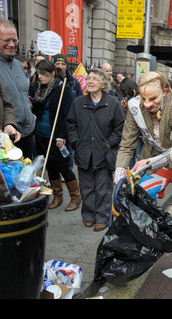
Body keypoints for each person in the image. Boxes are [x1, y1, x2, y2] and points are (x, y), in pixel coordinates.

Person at [113, 71, 172, 282]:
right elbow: (127, 144)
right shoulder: (135, 106)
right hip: (155, 165)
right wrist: (118, 178)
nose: (147, 104)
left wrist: (149, 163)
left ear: (165, 91)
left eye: (153, 99)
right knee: (129, 204)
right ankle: (131, 253)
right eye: (143, 98)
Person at [67, 68, 125, 232]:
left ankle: (101, 217)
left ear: (103, 83)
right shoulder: (78, 102)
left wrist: (109, 143)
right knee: (86, 187)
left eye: (94, 78)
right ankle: (88, 216)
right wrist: (76, 142)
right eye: (89, 78)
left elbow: (120, 127)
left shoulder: (112, 103)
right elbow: (71, 125)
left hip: (104, 154)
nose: (90, 81)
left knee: (103, 188)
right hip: (84, 152)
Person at [32, 59, 81, 211]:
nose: (40, 77)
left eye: (43, 74)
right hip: (41, 134)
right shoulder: (40, 88)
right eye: (38, 73)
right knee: (51, 167)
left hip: (56, 135)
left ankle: (75, 197)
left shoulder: (62, 89)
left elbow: (68, 115)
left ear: (52, 73)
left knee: (63, 167)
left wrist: (62, 136)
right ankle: (57, 195)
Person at [0, 19, 36, 159]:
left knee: (26, 176)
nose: (12, 44)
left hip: (26, 133)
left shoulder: (18, 65)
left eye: (14, 40)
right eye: (6, 40)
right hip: (5, 135)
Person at [118, 77, 142, 168]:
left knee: (139, 155)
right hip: (130, 129)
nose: (126, 93)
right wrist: (124, 107)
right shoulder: (126, 99)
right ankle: (131, 175)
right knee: (130, 155)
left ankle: (142, 175)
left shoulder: (141, 96)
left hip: (140, 131)